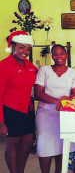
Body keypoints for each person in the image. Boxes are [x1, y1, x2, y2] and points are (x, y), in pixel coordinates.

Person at [34, 44, 75, 173]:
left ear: (66, 55)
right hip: (45, 113)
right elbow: (38, 93)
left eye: (61, 53)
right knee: (45, 145)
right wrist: (58, 101)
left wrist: (67, 100)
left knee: (62, 146)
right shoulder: (44, 70)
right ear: (52, 56)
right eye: (55, 53)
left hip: (65, 114)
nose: (58, 56)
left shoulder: (73, 73)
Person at [0, 31, 37, 173]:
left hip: (27, 110)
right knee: (13, 143)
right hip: (11, 110)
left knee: (28, 142)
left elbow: (41, 78)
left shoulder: (29, 65)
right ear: (13, 46)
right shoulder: (4, 65)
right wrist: (1, 122)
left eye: (28, 48)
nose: (25, 52)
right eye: (22, 47)